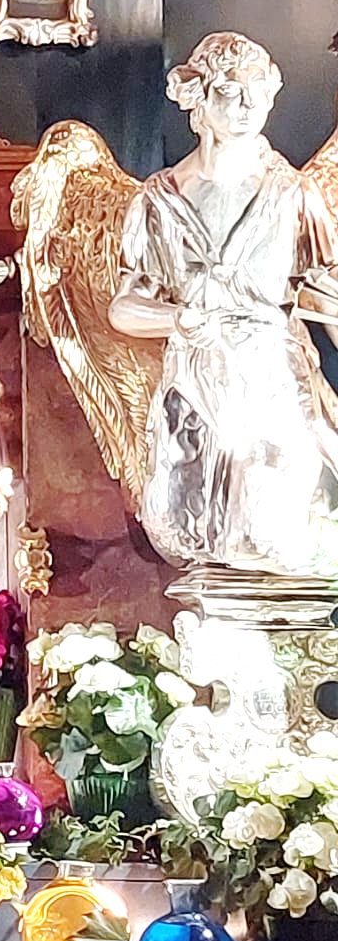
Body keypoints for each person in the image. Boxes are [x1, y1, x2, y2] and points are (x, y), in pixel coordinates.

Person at [109, 33, 338, 573]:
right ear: (198, 98)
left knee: (271, 534)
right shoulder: (158, 202)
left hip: (273, 381)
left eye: (259, 90)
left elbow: (329, 293)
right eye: (232, 90)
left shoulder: (294, 195)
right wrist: (178, 318)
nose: (248, 104)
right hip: (197, 384)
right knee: (194, 534)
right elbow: (124, 306)